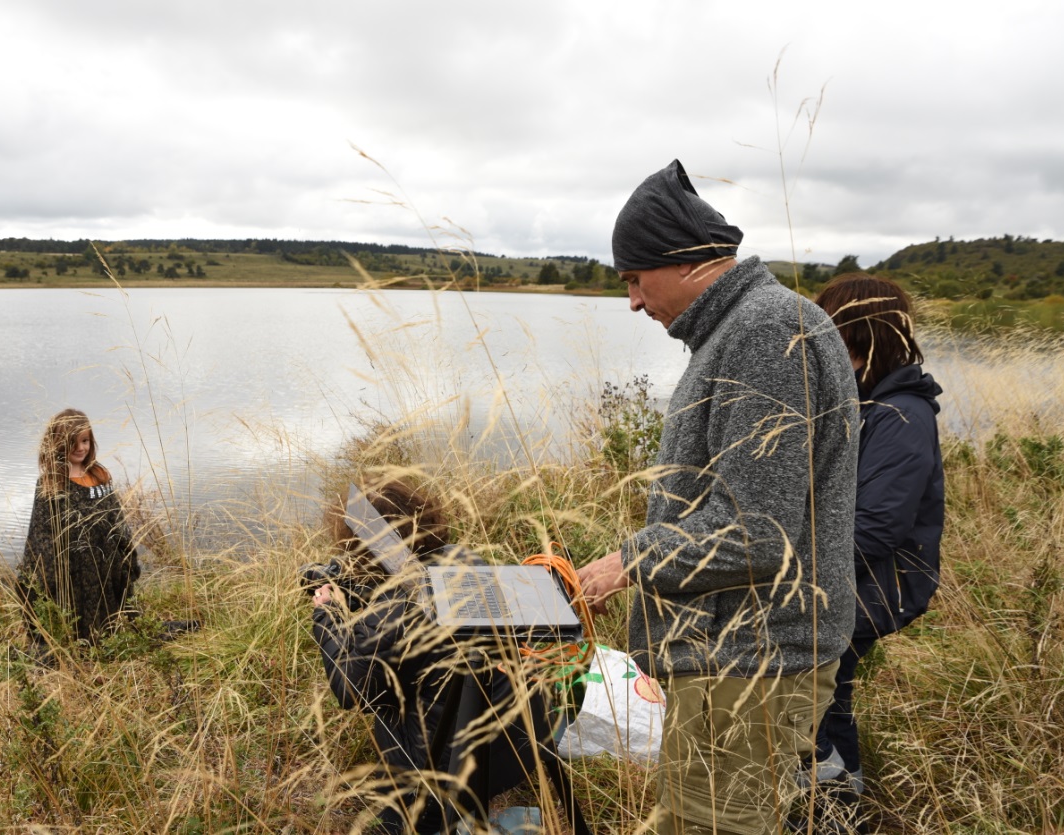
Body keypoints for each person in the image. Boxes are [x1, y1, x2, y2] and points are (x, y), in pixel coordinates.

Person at [576, 160, 861, 835]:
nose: (634, 302)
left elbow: (756, 530)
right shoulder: (745, 327)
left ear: (680, 262)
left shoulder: (761, 334)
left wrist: (628, 562)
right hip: (735, 660)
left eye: (633, 279)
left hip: (748, 663)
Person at [309, 480, 552, 834]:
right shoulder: (463, 559)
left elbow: (350, 688)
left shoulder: (395, 609)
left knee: (382, 698)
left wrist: (327, 615)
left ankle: (410, 817)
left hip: (448, 776)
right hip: (521, 744)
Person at [806, 273, 944, 827]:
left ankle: (837, 812)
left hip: (870, 591)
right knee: (824, 699)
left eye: (828, 334)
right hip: (850, 585)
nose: (816, 347)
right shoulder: (870, 404)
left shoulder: (901, 418)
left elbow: (874, 530)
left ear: (860, 339)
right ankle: (829, 805)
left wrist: (793, 572)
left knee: (822, 703)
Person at [16, 408, 141, 655]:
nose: (80, 448)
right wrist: (42, 568)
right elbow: (41, 531)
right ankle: (76, 641)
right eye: (72, 442)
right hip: (70, 562)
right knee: (76, 605)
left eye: (84, 441)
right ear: (57, 443)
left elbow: (113, 515)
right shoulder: (51, 481)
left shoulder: (98, 474)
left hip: (103, 560)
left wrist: (124, 548)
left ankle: (107, 636)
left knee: (105, 601)